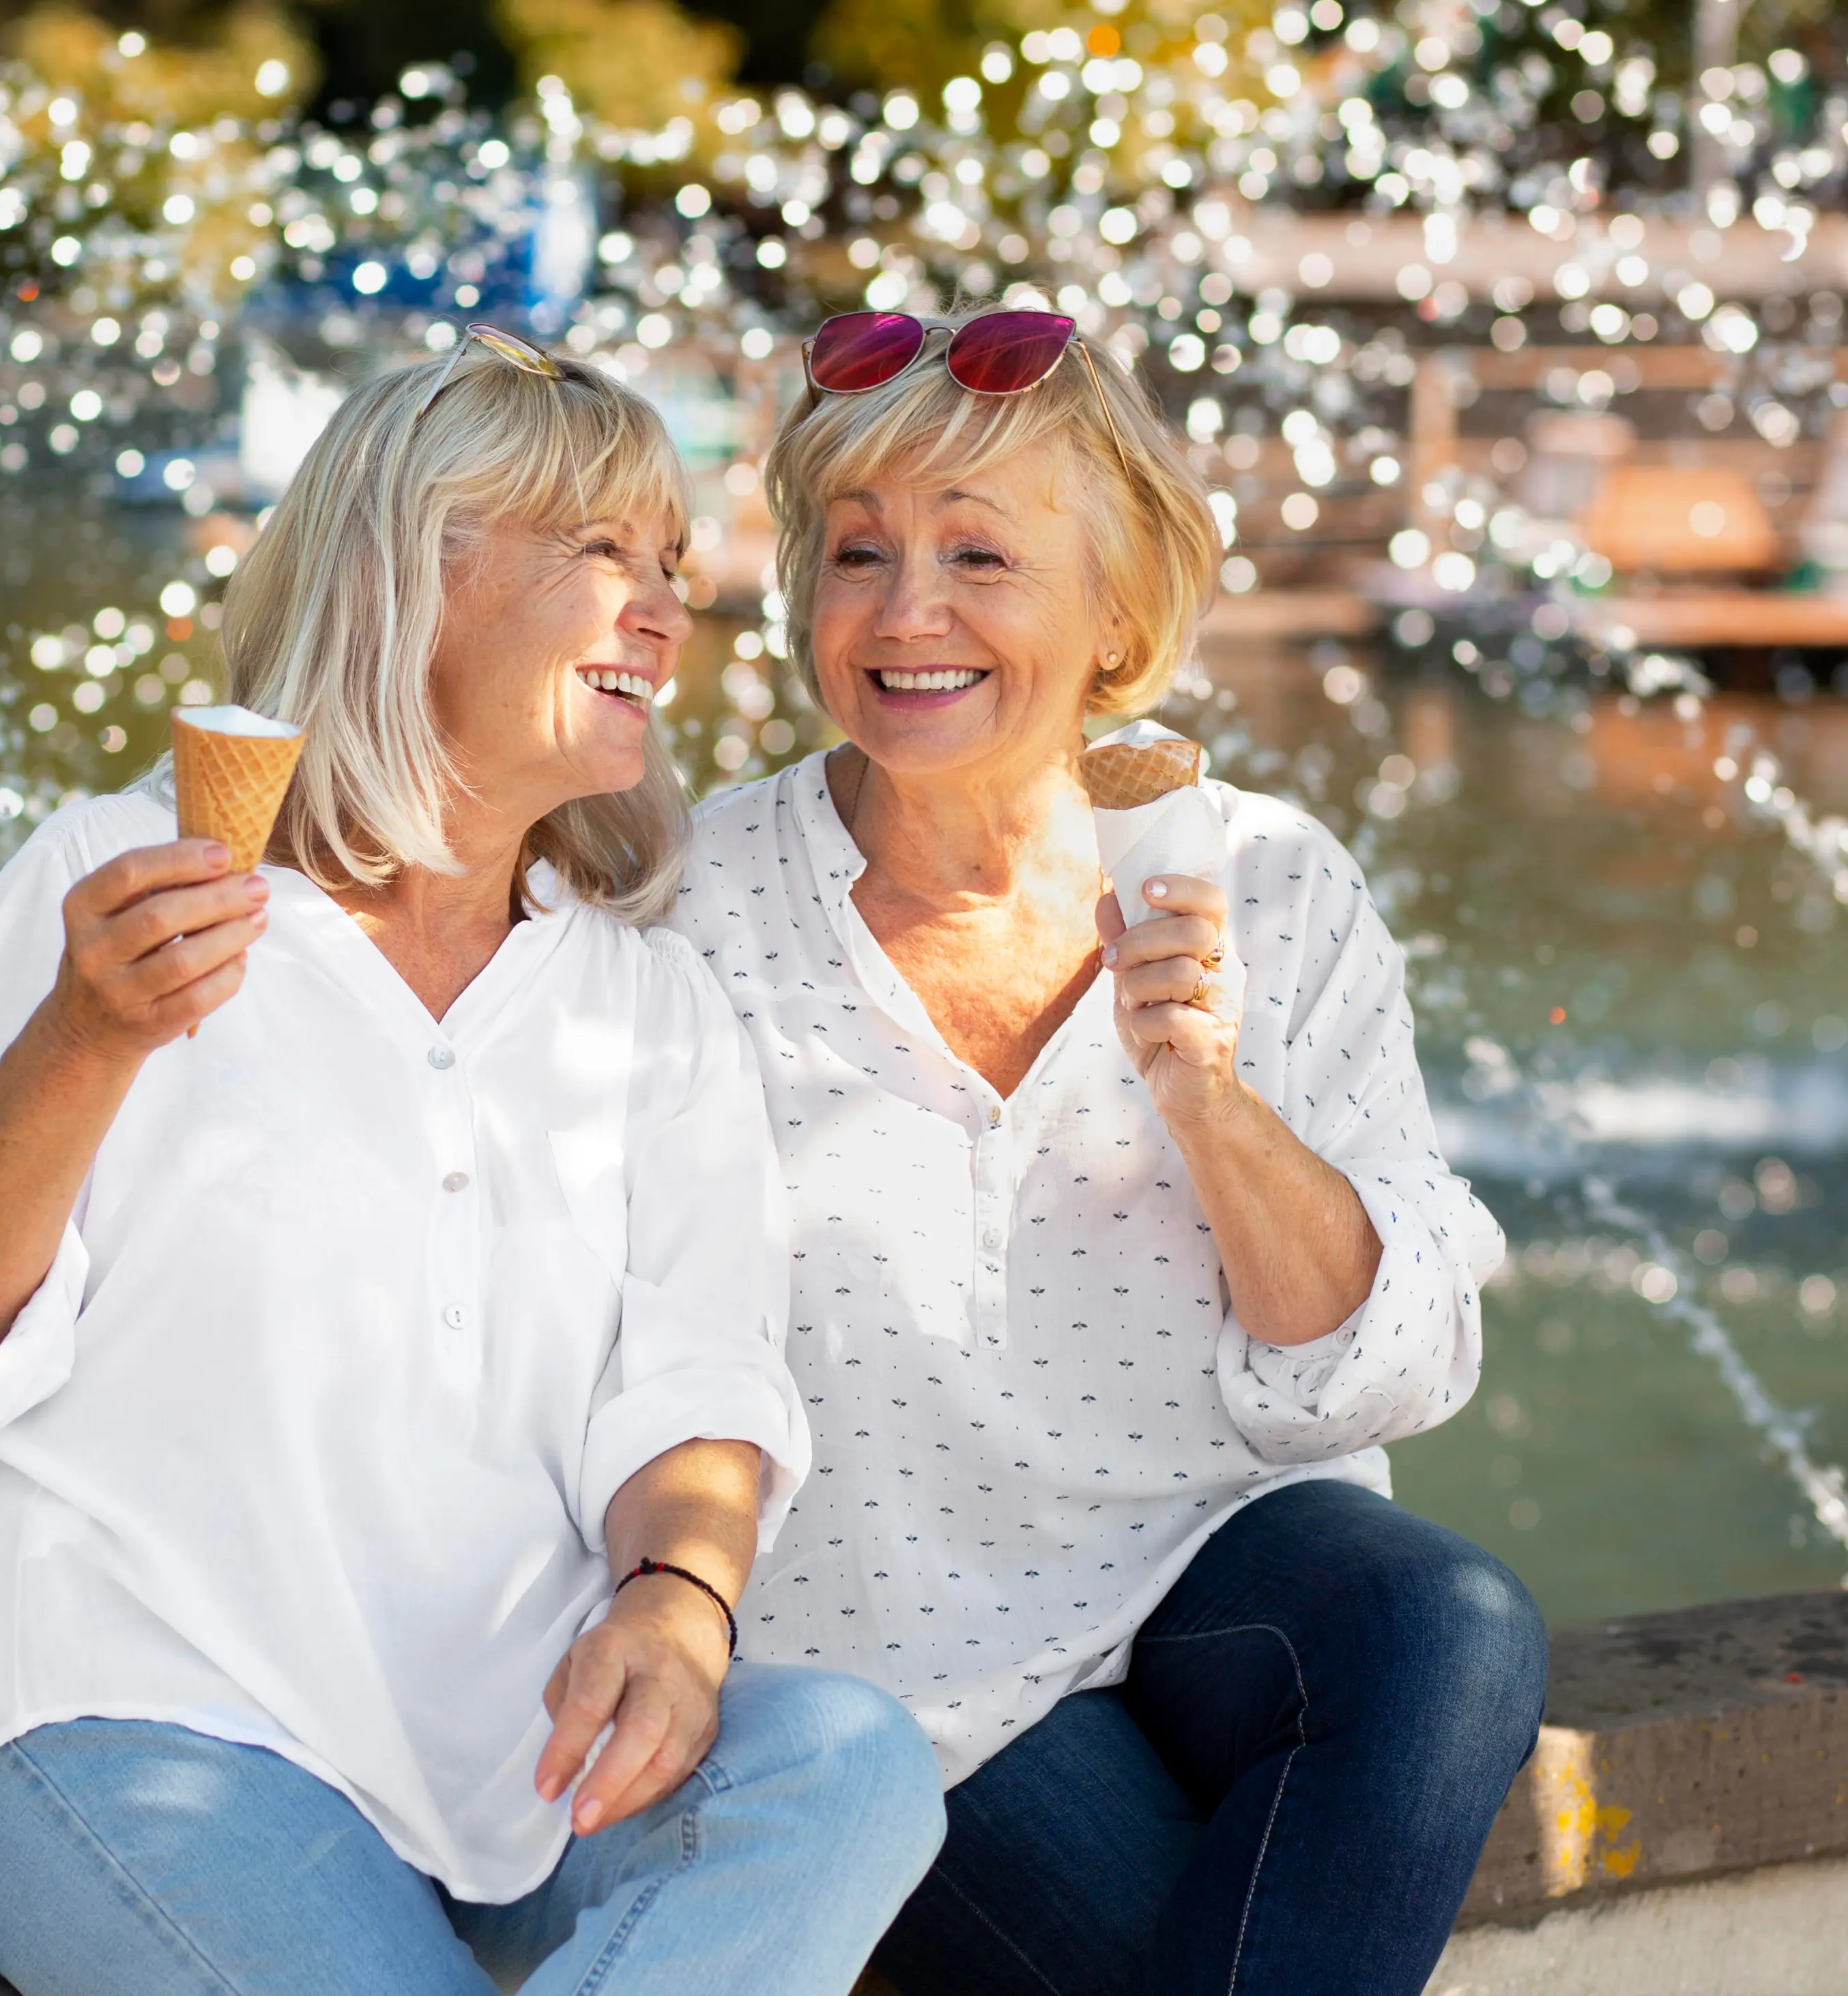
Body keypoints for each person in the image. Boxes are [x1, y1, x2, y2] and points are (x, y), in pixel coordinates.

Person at [0, 329, 944, 1996]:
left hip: (513, 1756)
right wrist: (86, 1038)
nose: (660, 608)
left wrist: (676, 1596)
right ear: (416, 573)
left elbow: (694, 1373)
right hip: (128, 1719)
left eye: (670, 567)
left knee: (843, 1758)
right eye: (601, 553)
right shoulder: (124, 880)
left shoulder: (646, 996)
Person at [670, 306, 1547, 1996]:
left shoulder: (1274, 886)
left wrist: (1208, 1099)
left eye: (977, 554)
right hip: (888, 1660)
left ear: (1117, 610)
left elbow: (1388, 1370)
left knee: (1450, 1624)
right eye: (854, 550)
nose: (904, 610)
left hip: (1210, 1581)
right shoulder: (688, 912)